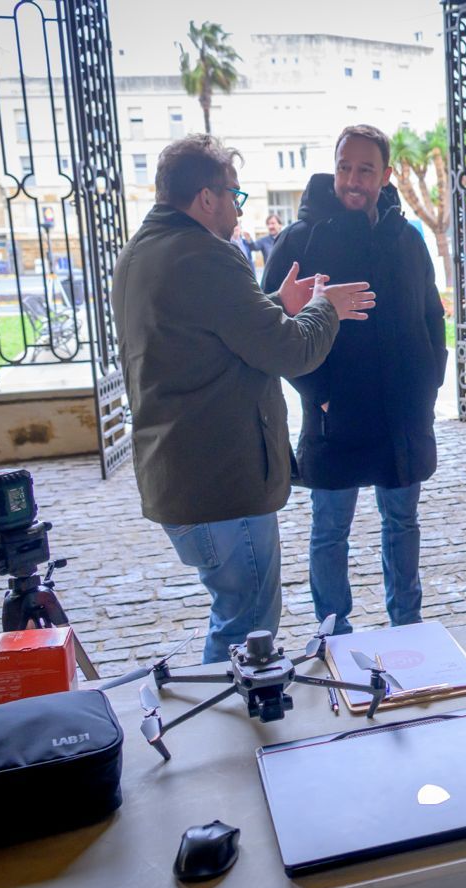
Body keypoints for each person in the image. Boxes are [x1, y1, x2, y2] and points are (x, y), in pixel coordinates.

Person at [112, 134, 376, 662]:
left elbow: (212, 333)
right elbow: (288, 352)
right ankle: (231, 736)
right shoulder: (206, 255)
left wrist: (278, 302)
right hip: (221, 482)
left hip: (184, 474)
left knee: (235, 613)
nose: (238, 207)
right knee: (245, 624)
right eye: (235, 194)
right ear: (206, 197)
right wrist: (325, 308)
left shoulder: (143, 250)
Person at [261, 125, 445, 635]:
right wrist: (318, 396)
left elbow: (432, 317)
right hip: (333, 418)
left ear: (385, 175)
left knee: (403, 524)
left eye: (366, 169)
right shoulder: (301, 240)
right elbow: (272, 329)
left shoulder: (407, 238)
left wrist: (429, 384)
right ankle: (332, 634)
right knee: (329, 532)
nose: (353, 179)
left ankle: (408, 626)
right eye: (345, 167)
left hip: (401, 417)